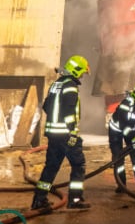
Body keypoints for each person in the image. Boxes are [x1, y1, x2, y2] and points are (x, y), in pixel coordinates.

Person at [31, 55, 91, 212]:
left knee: (50, 167)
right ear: (76, 71)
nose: (82, 76)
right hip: (66, 135)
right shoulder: (70, 86)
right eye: (82, 72)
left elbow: (46, 107)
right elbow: (68, 113)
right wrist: (72, 134)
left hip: (53, 134)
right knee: (79, 165)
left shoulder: (56, 84)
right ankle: (75, 200)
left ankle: (39, 199)